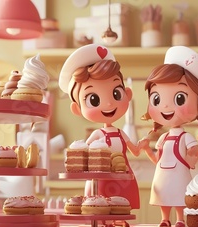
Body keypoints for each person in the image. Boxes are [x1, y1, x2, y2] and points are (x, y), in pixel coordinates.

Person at [59, 44, 145, 213]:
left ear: (127, 94)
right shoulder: (97, 135)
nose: (108, 104)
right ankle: (105, 219)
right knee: (99, 202)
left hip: (123, 177)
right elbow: (84, 154)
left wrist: (142, 146)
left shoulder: (121, 133)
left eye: (116, 94)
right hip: (101, 180)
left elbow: (134, 151)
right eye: (94, 100)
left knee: (122, 201)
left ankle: (120, 216)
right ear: (77, 108)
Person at [141, 46, 198, 227]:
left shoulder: (186, 137)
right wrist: (145, 149)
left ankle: (180, 219)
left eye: (179, 98)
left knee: (178, 195)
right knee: (164, 196)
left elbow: (194, 151)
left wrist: (191, 156)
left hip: (179, 174)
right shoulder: (163, 138)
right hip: (163, 174)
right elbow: (157, 160)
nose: (165, 106)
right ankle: (164, 218)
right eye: (157, 100)